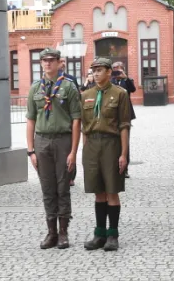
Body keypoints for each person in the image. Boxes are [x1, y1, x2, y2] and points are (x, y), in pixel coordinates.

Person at [26, 47, 81, 249]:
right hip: (42, 142)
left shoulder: (68, 87)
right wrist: (30, 150)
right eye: (44, 60)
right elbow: (30, 120)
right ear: (41, 63)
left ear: (59, 63)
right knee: (47, 188)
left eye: (52, 60)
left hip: (63, 140)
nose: (48, 63)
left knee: (62, 187)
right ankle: (51, 233)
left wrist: (74, 152)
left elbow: (77, 120)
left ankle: (64, 232)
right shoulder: (35, 88)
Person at [80, 56, 134, 251]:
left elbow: (124, 126)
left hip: (111, 145)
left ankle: (113, 235)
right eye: (93, 70)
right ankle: (99, 234)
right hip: (92, 146)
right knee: (98, 191)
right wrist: (85, 152)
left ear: (109, 72)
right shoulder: (86, 94)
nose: (95, 73)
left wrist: (123, 154)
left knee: (112, 191)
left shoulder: (120, 94)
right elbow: (85, 128)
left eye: (100, 70)